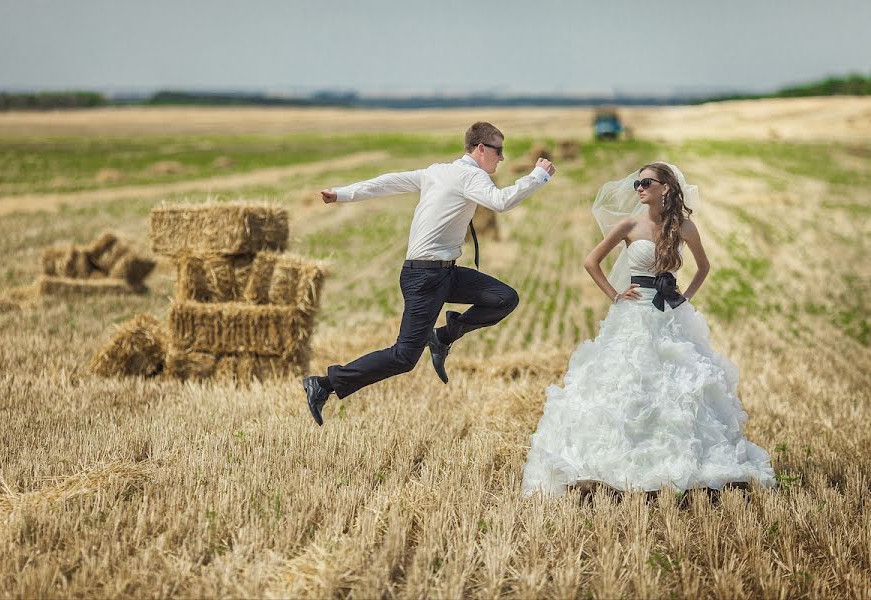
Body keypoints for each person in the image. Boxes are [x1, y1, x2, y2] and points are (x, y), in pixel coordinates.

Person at [521, 162, 776, 495]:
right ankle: (615, 467)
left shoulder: (684, 227)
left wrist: (684, 298)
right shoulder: (628, 223)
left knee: (679, 386)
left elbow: (703, 267)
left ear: (665, 188)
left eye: (646, 183)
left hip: (670, 313)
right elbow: (591, 261)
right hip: (634, 313)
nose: (639, 188)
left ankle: (679, 464)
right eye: (637, 184)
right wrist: (615, 295)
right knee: (626, 383)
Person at [302, 122, 556, 426]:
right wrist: (538, 176)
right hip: (424, 279)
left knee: (504, 298)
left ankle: (442, 337)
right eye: (498, 150)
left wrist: (342, 194)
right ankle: (324, 384)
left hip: (444, 273)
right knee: (403, 358)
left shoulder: (438, 171)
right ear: (480, 149)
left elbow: (388, 182)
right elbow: (501, 202)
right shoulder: (470, 175)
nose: (501, 158)